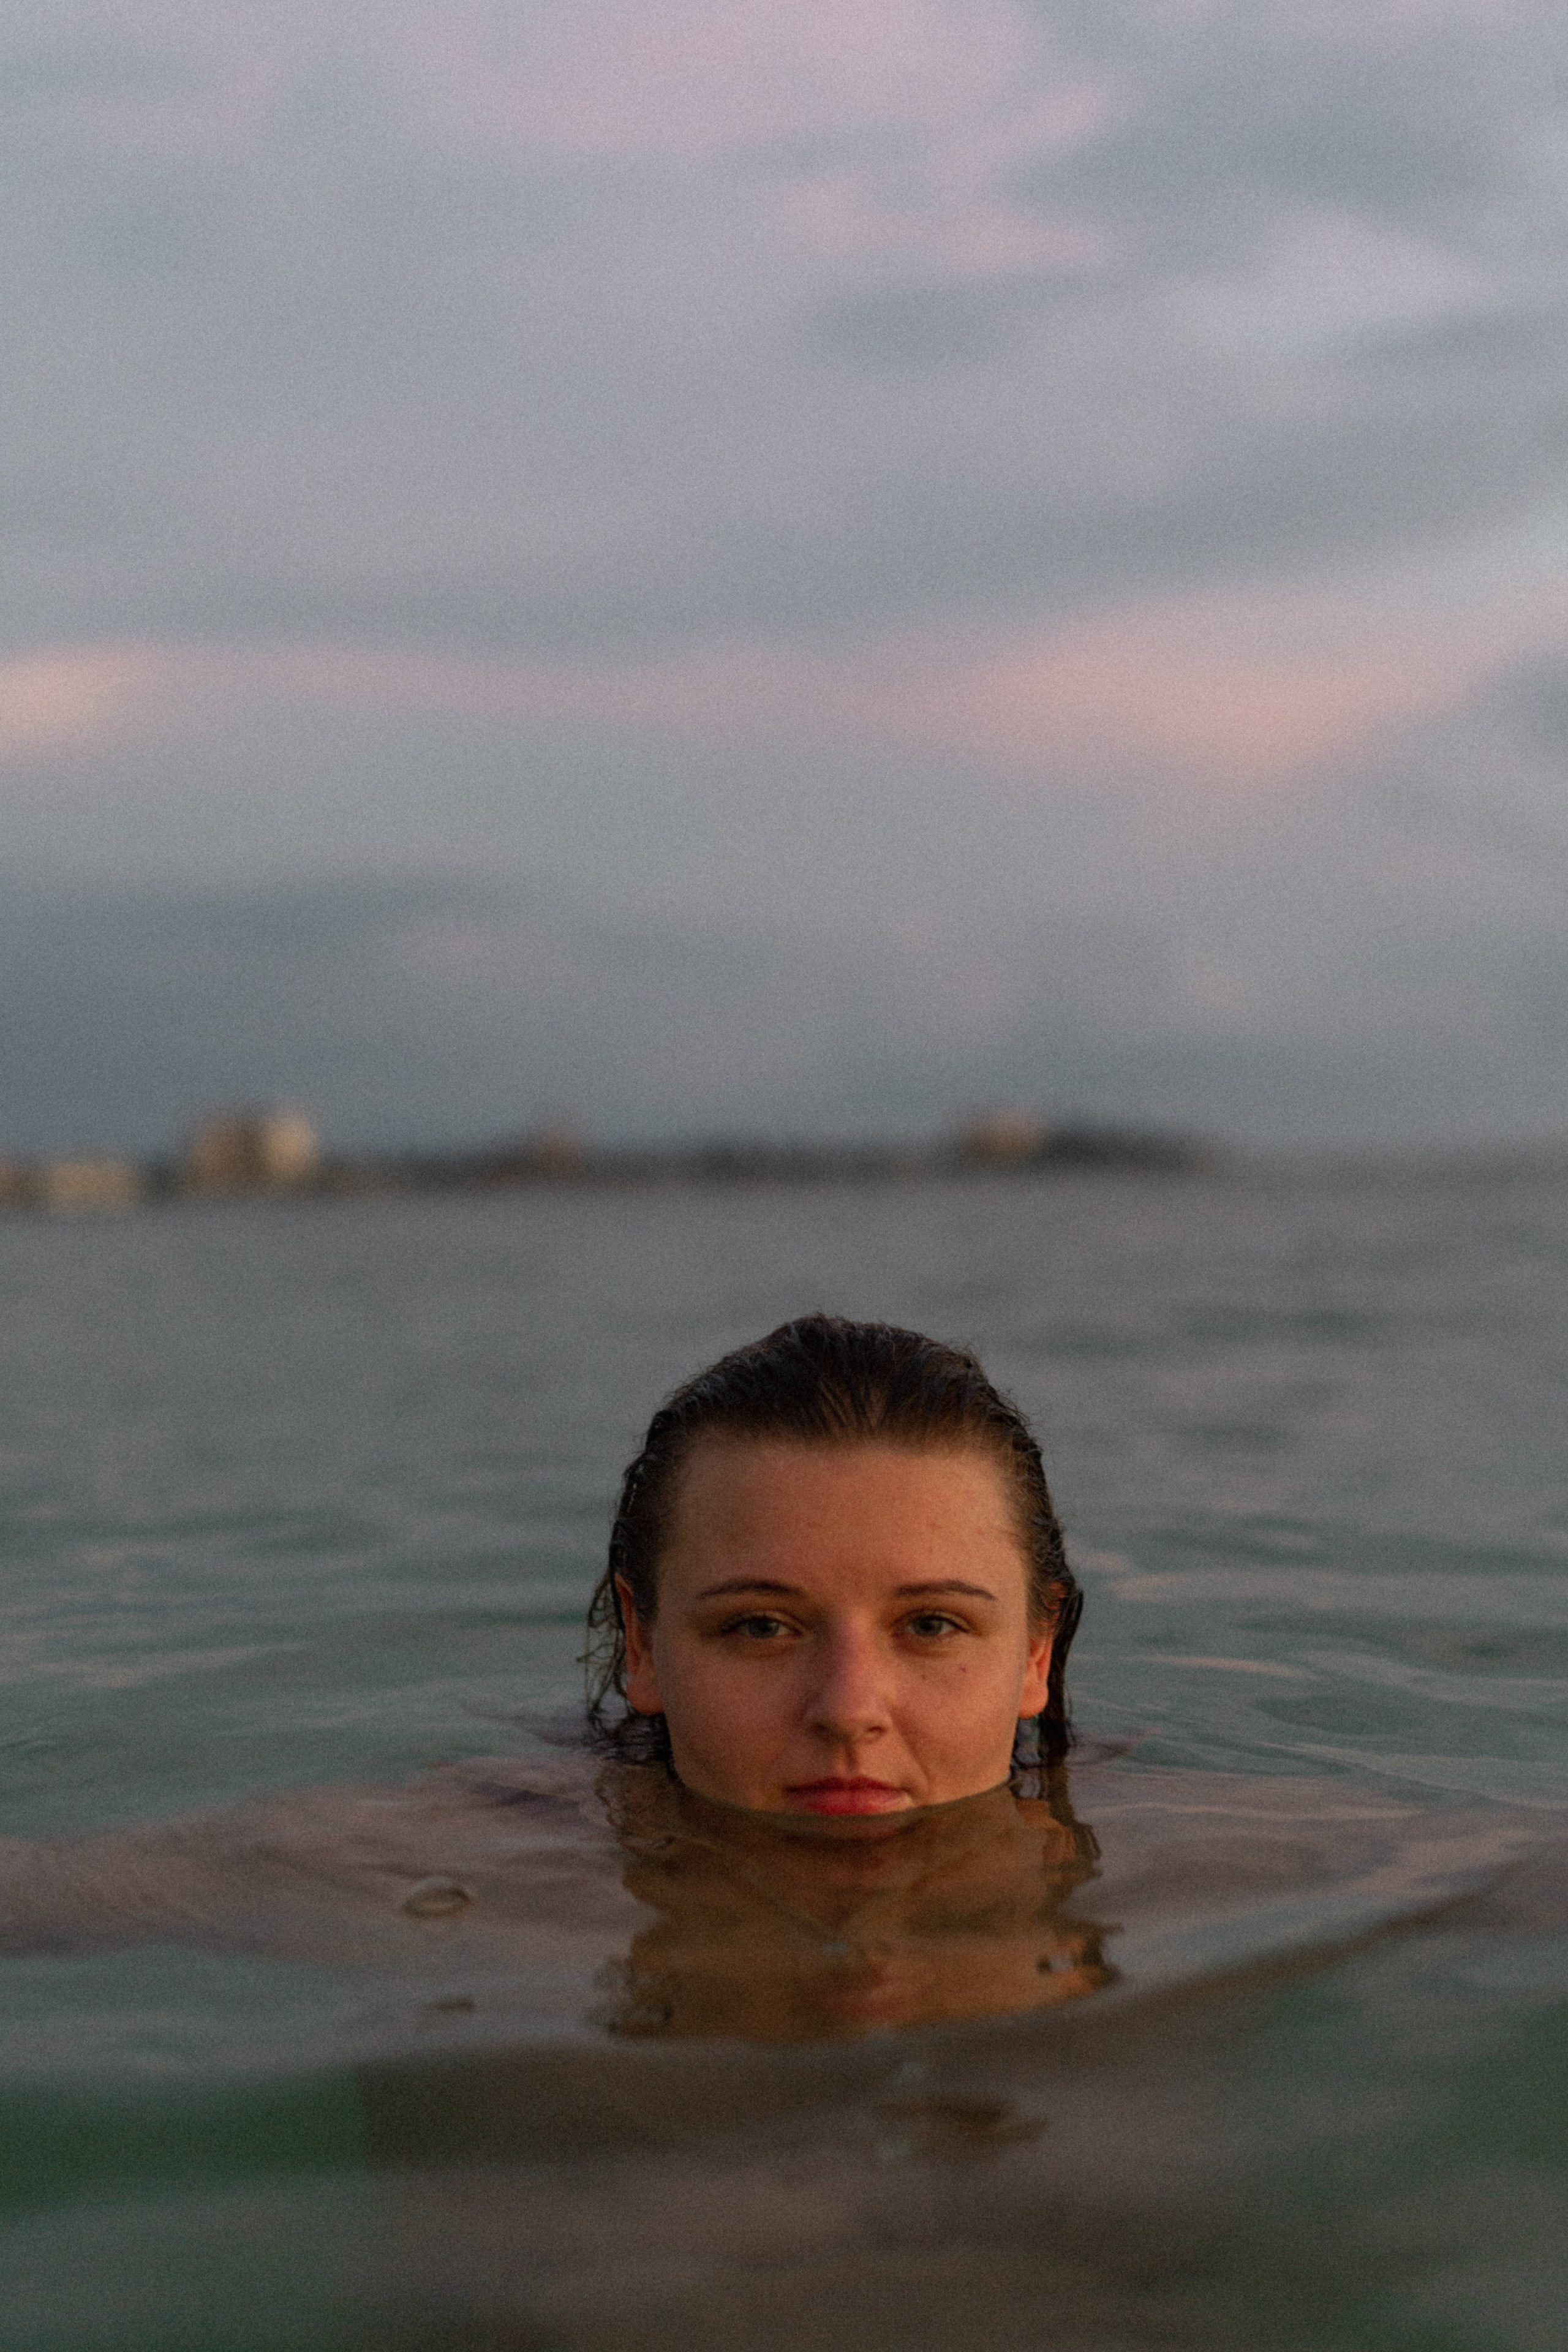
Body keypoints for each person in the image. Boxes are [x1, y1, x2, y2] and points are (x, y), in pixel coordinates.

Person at [585, 1313, 1083, 1814]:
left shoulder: (1152, 1864)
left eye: (931, 1626)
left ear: (1035, 1654)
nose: (848, 1712)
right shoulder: (522, 1870)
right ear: (642, 1645)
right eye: (761, 1627)